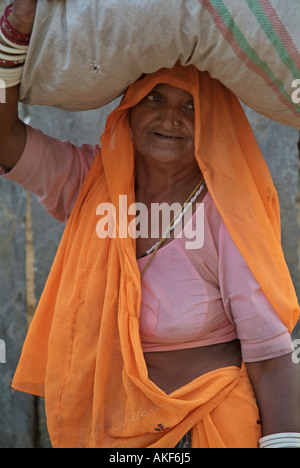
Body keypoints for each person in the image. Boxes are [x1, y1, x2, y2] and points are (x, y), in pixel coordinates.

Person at [1, 0, 300, 449]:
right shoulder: (90, 183)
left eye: (190, 106)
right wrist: (11, 41)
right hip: (106, 429)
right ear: (130, 111)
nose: (170, 117)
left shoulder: (225, 213)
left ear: (212, 126)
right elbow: (5, 141)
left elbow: (272, 358)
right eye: (154, 97)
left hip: (204, 427)